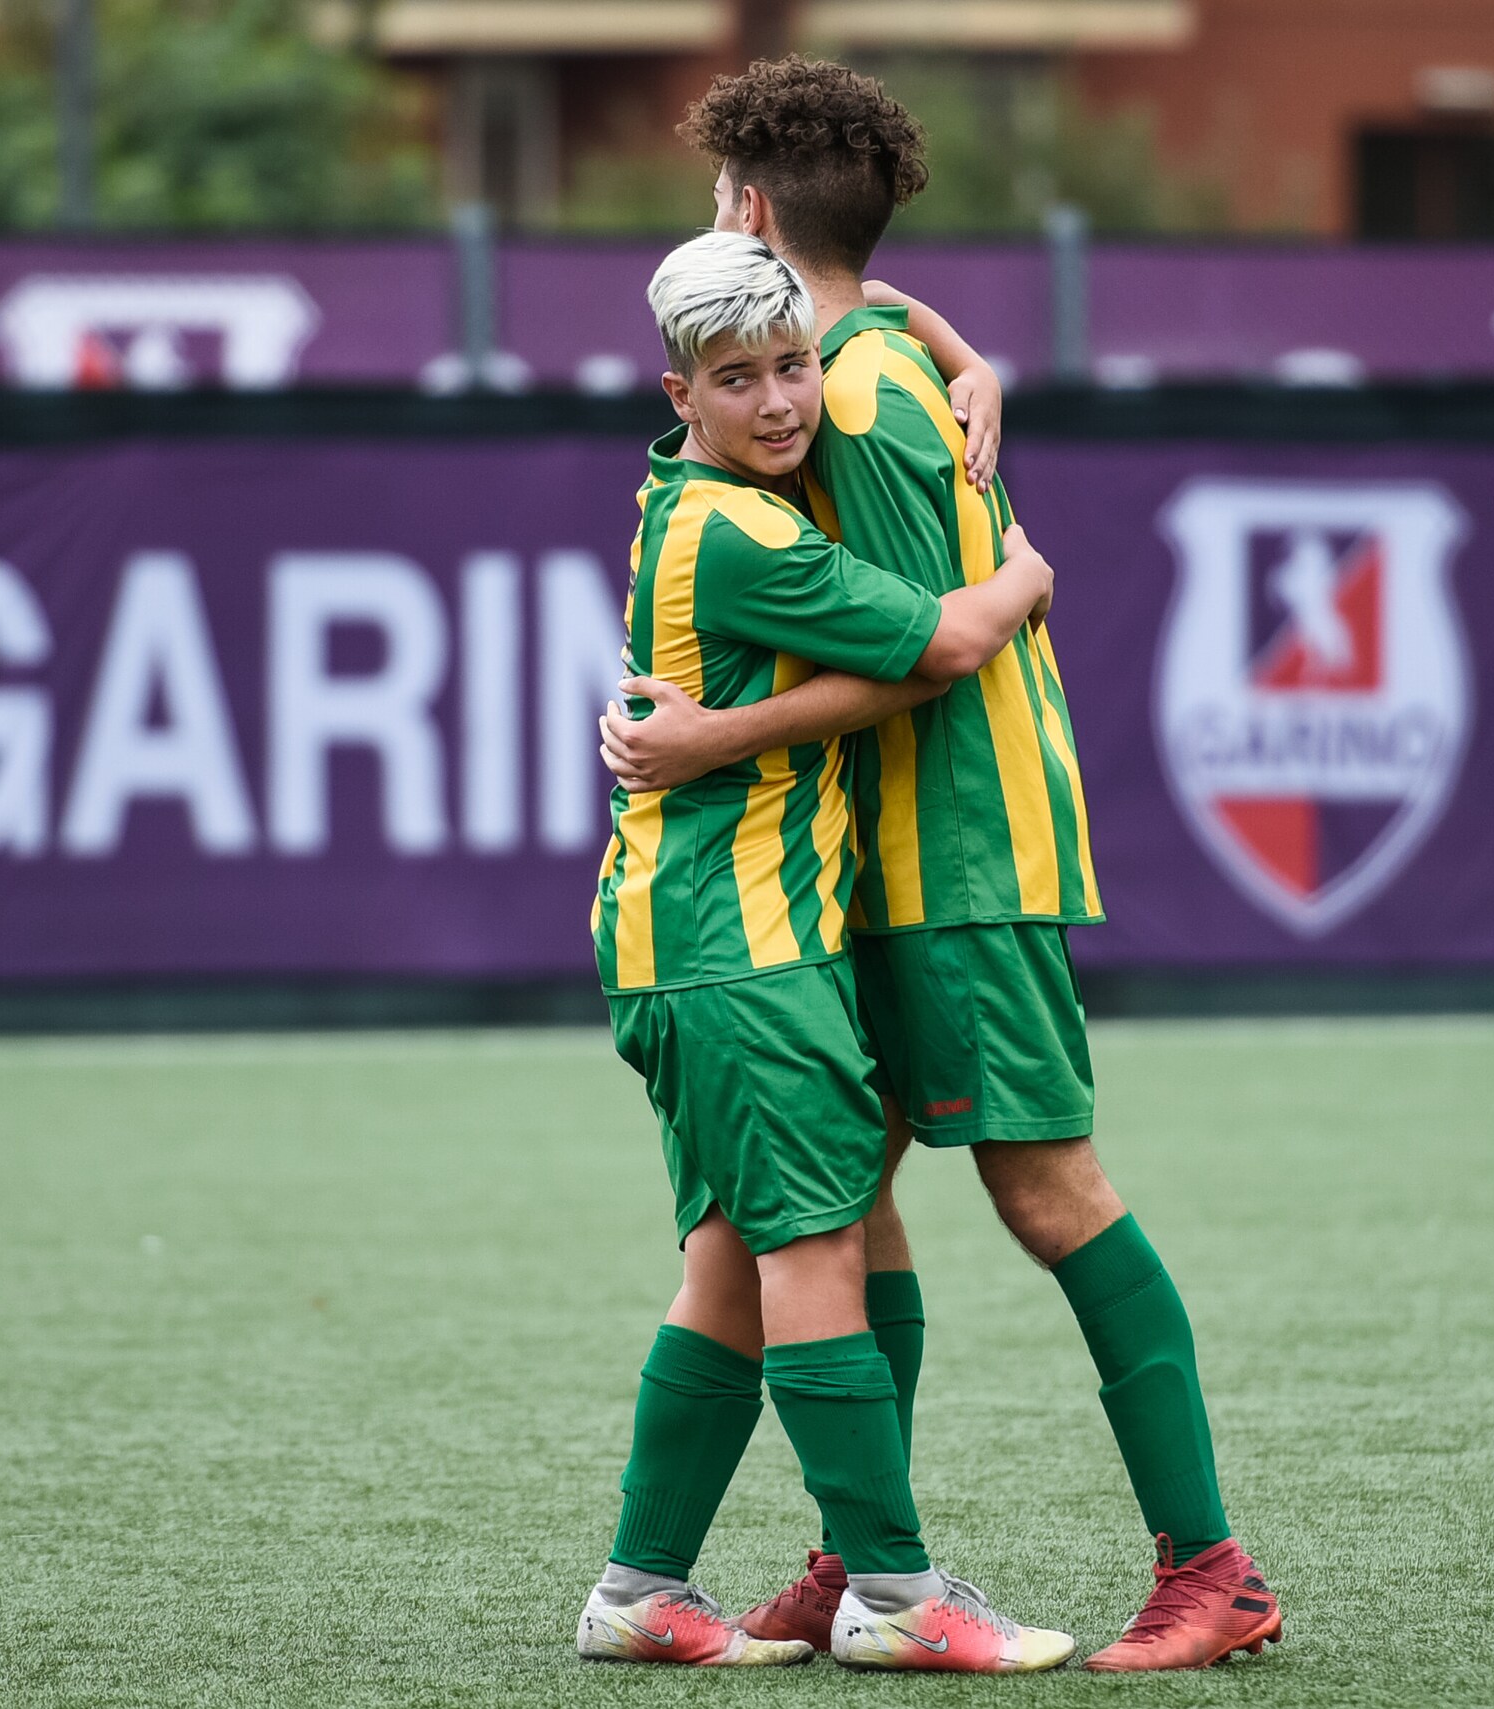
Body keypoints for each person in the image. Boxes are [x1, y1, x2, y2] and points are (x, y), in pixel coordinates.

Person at [599, 58, 1286, 1673]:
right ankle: (857, 1563)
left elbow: (937, 651)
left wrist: (714, 736)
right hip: (868, 864)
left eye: (719, 206)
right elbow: (871, 310)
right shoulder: (868, 348)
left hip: (955, 851)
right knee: (842, 1209)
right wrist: (974, 349)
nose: (769, 388)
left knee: (1047, 1189)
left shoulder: (844, 393)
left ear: (745, 212)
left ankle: (1211, 1567)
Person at [577, 229, 1075, 1675]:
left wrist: (968, 356)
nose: (784, 401)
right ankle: (898, 1597)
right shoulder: (747, 534)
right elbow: (941, 649)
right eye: (739, 380)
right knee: (814, 1247)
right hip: (738, 942)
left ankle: (640, 1592)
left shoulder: (696, 495)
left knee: (735, 1260)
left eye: (795, 365)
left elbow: (873, 295)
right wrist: (1026, 574)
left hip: (697, 937)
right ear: (682, 393)